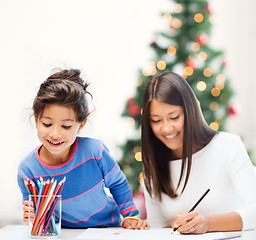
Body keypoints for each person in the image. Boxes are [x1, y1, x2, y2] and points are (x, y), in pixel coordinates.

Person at [17, 68, 149, 230]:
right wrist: (31, 216)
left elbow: (117, 183)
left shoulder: (95, 151)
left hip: (107, 228)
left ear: (81, 125)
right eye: (47, 124)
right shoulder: (27, 170)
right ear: (36, 119)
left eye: (66, 126)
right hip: (64, 233)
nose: (55, 134)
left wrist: (130, 216)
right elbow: (36, 217)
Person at [141, 72, 256, 234]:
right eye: (156, 120)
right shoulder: (153, 167)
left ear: (190, 111)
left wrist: (208, 223)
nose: (166, 128)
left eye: (174, 117)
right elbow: (157, 231)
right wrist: (175, 225)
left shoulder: (227, 145)